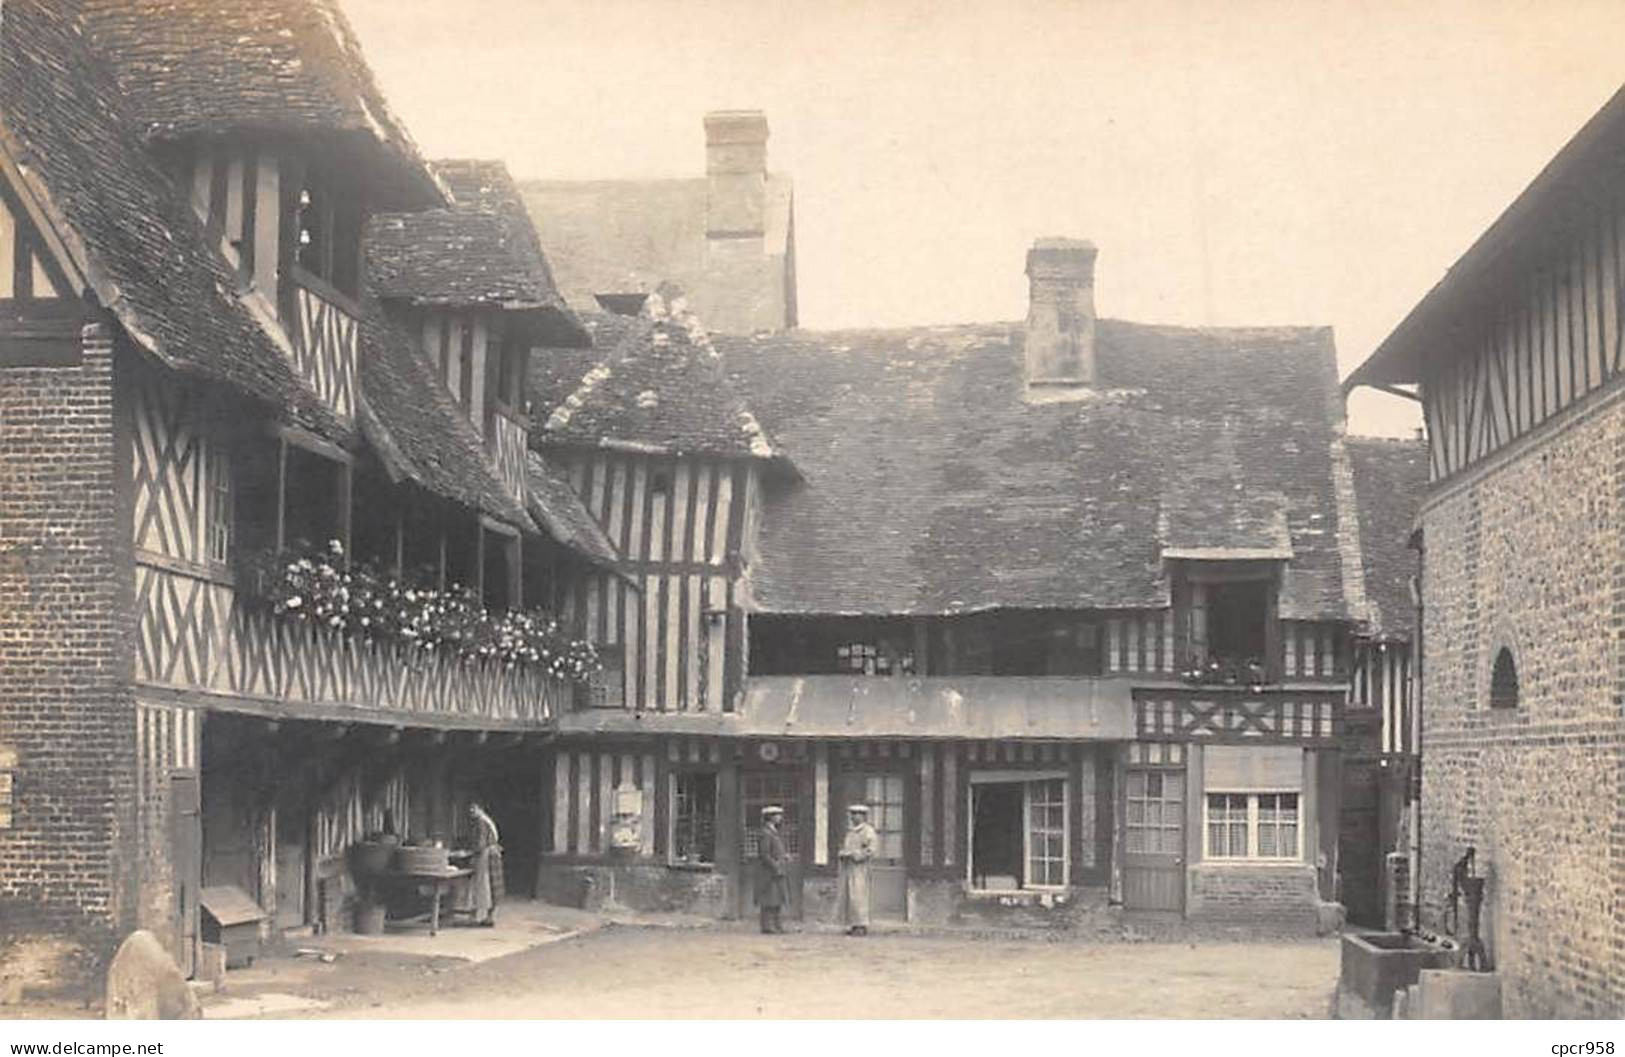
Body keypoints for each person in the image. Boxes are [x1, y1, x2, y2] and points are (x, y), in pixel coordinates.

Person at [837, 803, 876, 936]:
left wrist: (856, 855)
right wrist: (843, 853)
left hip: (861, 868)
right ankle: (852, 924)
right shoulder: (851, 831)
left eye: (857, 814)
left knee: (859, 896)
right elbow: (846, 846)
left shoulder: (868, 831)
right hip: (849, 868)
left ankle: (861, 925)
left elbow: (871, 850)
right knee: (850, 896)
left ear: (863, 816)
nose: (854, 817)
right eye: (852, 814)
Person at [467, 802, 503, 927]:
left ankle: (476, 916)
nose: (471, 811)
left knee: (483, 885)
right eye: (470, 809)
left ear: (480, 809)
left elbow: (481, 843)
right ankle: (489, 917)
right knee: (492, 887)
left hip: (486, 856)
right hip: (492, 854)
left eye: (473, 808)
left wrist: (469, 852)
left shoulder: (481, 822)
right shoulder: (487, 821)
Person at [755, 805, 789, 934]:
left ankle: (777, 925)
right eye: (777, 815)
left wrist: (784, 857)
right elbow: (764, 854)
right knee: (768, 899)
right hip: (768, 872)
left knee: (777, 899)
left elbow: (776, 850)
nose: (780, 818)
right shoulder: (765, 833)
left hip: (777, 871)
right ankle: (767, 926)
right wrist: (775, 866)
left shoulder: (774, 832)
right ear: (770, 818)